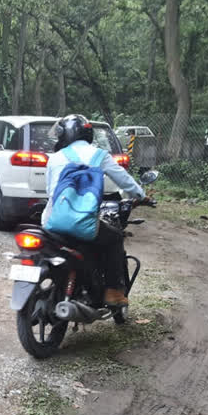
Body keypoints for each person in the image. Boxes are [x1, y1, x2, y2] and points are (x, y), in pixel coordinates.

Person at [42, 114, 147, 307]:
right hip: (81, 223)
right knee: (114, 237)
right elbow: (124, 180)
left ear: (65, 135)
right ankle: (113, 292)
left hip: (50, 222)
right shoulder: (99, 155)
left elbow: (50, 191)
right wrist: (141, 195)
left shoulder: (55, 158)